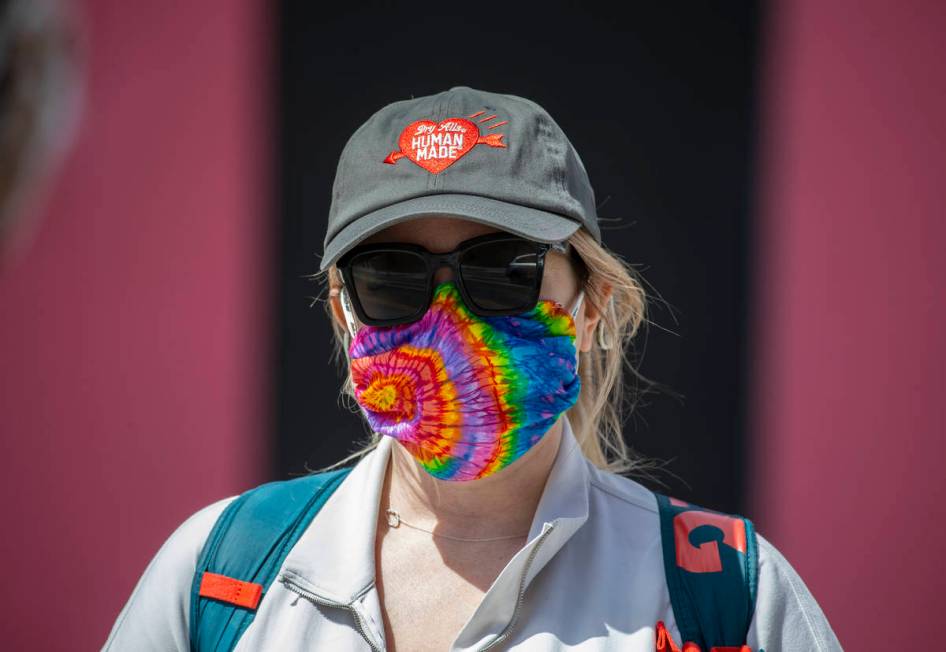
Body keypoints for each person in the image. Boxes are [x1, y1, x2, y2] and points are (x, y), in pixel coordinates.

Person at [103, 86, 842, 651]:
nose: (450, 322)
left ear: (590, 306)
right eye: (391, 276)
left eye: (502, 271)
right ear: (342, 310)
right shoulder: (218, 575)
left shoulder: (728, 598)